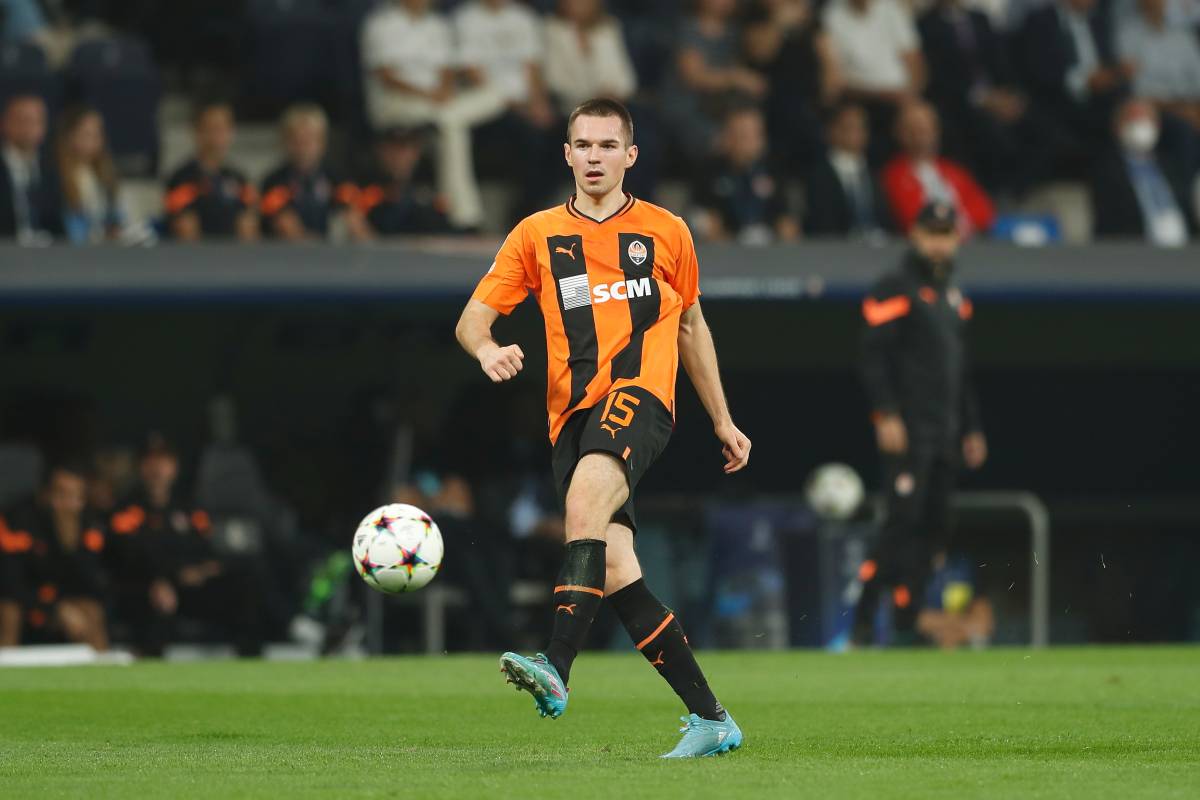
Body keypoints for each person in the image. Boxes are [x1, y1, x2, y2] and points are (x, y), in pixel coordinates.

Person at [455, 98, 750, 757]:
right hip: (571, 417)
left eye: (607, 145)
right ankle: (712, 719)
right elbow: (471, 319)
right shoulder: (535, 234)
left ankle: (556, 667)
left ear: (630, 156)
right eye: (583, 145)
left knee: (585, 501)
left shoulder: (667, 231)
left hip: (641, 395)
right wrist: (486, 350)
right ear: (567, 154)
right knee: (615, 568)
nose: (594, 157)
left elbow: (691, 326)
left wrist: (722, 419)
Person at [856, 201, 987, 644]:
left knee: (935, 527)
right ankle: (861, 621)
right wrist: (886, 413)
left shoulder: (954, 295)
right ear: (915, 235)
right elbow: (873, 356)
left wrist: (972, 427)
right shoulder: (895, 286)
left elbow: (960, 371)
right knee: (901, 523)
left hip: (945, 431)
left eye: (946, 234)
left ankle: (907, 615)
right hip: (910, 430)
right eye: (932, 233)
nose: (939, 243)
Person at [107, 435, 263, 657]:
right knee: (157, 596)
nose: (158, 469)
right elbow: (129, 556)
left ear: (174, 467)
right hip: (146, 588)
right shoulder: (127, 510)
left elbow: (207, 549)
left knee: (245, 582)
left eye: (164, 461)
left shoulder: (188, 508)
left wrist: (201, 570)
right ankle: (149, 662)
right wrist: (169, 576)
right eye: (151, 462)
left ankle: (250, 657)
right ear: (141, 467)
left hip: (191, 588)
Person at [361, 0, 507, 230]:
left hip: (433, 103)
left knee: (493, 96)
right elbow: (385, 75)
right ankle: (464, 217)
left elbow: (446, 70)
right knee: (451, 125)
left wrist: (443, 91)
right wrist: (428, 94)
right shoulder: (381, 24)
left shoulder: (437, 25)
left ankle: (462, 214)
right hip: (396, 103)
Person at [918, 0, 1046, 196]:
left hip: (998, 94)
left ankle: (1026, 187)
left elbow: (1001, 61)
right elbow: (939, 76)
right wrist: (982, 98)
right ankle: (996, 192)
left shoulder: (980, 18)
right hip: (961, 102)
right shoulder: (926, 25)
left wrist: (1010, 95)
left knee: (1039, 124)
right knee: (990, 132)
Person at [0, 462, 109, 650]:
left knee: (92, 610)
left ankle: (102, 666)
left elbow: (90, 585)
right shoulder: (19, 520)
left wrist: (70, 544)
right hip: (26, 601)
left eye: (75, 496)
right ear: (46, 494)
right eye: (61, 493)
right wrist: (54, 607)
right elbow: (10, 583)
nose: (67, 503)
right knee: (8, 611)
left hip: (62, 603)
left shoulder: (88, 525)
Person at [742, 0, 842, 175]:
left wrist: (828, 96)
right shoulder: (757, 15)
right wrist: (779, 23)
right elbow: (760, 53)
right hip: (772, 105)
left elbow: (830, 66)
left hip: (809, 107)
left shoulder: (810, 21)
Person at [822, 0, 925, 164]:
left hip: (902, 99)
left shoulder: (891, 9)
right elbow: (836, 78)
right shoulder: (832, 15)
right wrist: (884, 95)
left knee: (922, 120)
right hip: (860, 98)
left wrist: (912, 98)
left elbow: (914, 60)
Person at [663, 0, 767, 163]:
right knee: (730, 140)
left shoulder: (734, 33)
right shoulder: (688, 28)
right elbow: (694, 77)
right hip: (687, 107)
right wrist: (736, 78)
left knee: (748, 126)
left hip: (718, 108)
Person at [881, 101, 996, 237]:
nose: (920, 136)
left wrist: (963, 225)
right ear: (899, 133)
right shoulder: (894, 175)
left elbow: (985, 212)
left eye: (926, 129)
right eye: (913, 129)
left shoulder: (954, 170)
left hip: (969, 240)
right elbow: (911, 218)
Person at [1090, 98, 1194, 245]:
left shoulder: (1171, 165)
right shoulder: (1106, 168)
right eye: (1132, 120)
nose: (1139, 126)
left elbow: (1187, 206)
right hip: (1136, 246)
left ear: (1157, 126)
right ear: (1117, 127)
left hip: (1184, 244)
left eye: (1144, 120)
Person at [691, 105, 798, 244]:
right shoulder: (709, 171)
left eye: (754, 135)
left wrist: (786, 229)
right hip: (726, 246)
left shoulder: (774, 169)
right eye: (741, 135)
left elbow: (785, 217)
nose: (748, 142)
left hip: (769, 246)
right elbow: (700, 213)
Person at [259, 104, 366, 242]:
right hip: (288, 253)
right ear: (285, 142)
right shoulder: (274, 182)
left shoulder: (340, 179)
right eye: (296, 140)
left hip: (333, 250)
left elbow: (355, 223)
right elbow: (288, 230)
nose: (303, 147)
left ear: (322, 142)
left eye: (309, 139)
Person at [163, 101, 258, 241]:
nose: (217, 136)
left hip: (236, 253)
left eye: (222, 129)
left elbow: (249, 226)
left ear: (231, 132)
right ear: (197, 132)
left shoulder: (239, 178)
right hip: (198, 253)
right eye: (210, 129)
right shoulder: (181, 179)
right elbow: (186, 231)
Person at [803, 102, 890, 238]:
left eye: (860, 128)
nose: (856, 134)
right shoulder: (819, 175)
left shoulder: (873, 174)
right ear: (831, 131)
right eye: (848, 127)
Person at [544, 0, 637, 117]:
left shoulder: (609, 27)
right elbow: (555, 81)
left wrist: (610, 95)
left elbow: (626, 82)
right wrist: (595, 99)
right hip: (569, 111)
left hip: (612, 109)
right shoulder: (552, 29)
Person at [355, 127, 451, 237]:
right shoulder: (363, 198)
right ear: (380, 150)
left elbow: (445, 234)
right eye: (392, 148)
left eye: (405, 148)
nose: (398, 157)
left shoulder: (428, 200)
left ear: (416, 152)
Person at [54, 106, 124, 244]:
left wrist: (115, 229)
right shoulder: (57, 177)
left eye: (97, 134)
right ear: (69, 137)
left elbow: (115, 216)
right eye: (86, 134)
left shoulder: (105, 176)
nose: (93, 140)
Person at [0, 94, 62, 243]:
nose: (29, 128)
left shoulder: (51, 169)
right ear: (4, 123)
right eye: (22, 120)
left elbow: (57, 224)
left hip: (47, 251)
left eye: (36, 121)